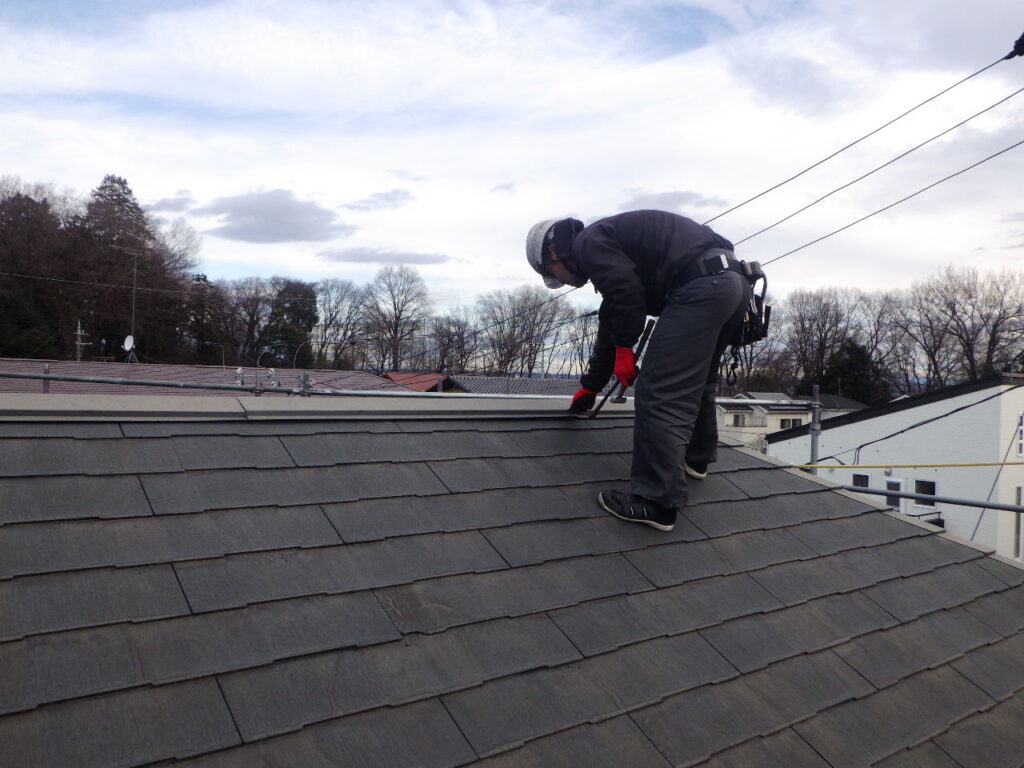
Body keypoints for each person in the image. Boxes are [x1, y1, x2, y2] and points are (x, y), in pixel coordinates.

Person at [526, 210, 752, 532]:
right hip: (734, 284)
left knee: (659, 392)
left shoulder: (588, 243)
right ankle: (696, 459)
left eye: (552, 273)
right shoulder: (612, 244)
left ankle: (656, 502)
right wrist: (592, 386)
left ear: (553, 251)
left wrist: (624, 351)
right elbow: (615, 313)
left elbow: (626, 294)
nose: (561, 281)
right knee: (698, 379)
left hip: (702, 287)